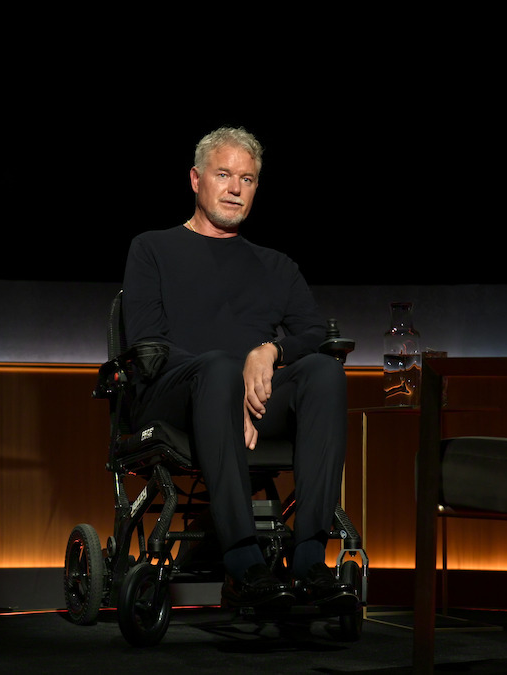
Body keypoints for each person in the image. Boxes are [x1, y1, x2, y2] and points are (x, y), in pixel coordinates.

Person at [121, 127, 354, 613]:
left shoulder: (276, 265)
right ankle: (245, 562)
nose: (234, 188)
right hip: (175, 398)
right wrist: (226, 385)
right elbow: (147, 345)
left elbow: (314, 333)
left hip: (252, 400)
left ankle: (309, 561)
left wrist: (269, 351)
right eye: (223, 175)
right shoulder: (152, 248)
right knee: (219, 369)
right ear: (196, 180)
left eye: (246, 179)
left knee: (324, 373)